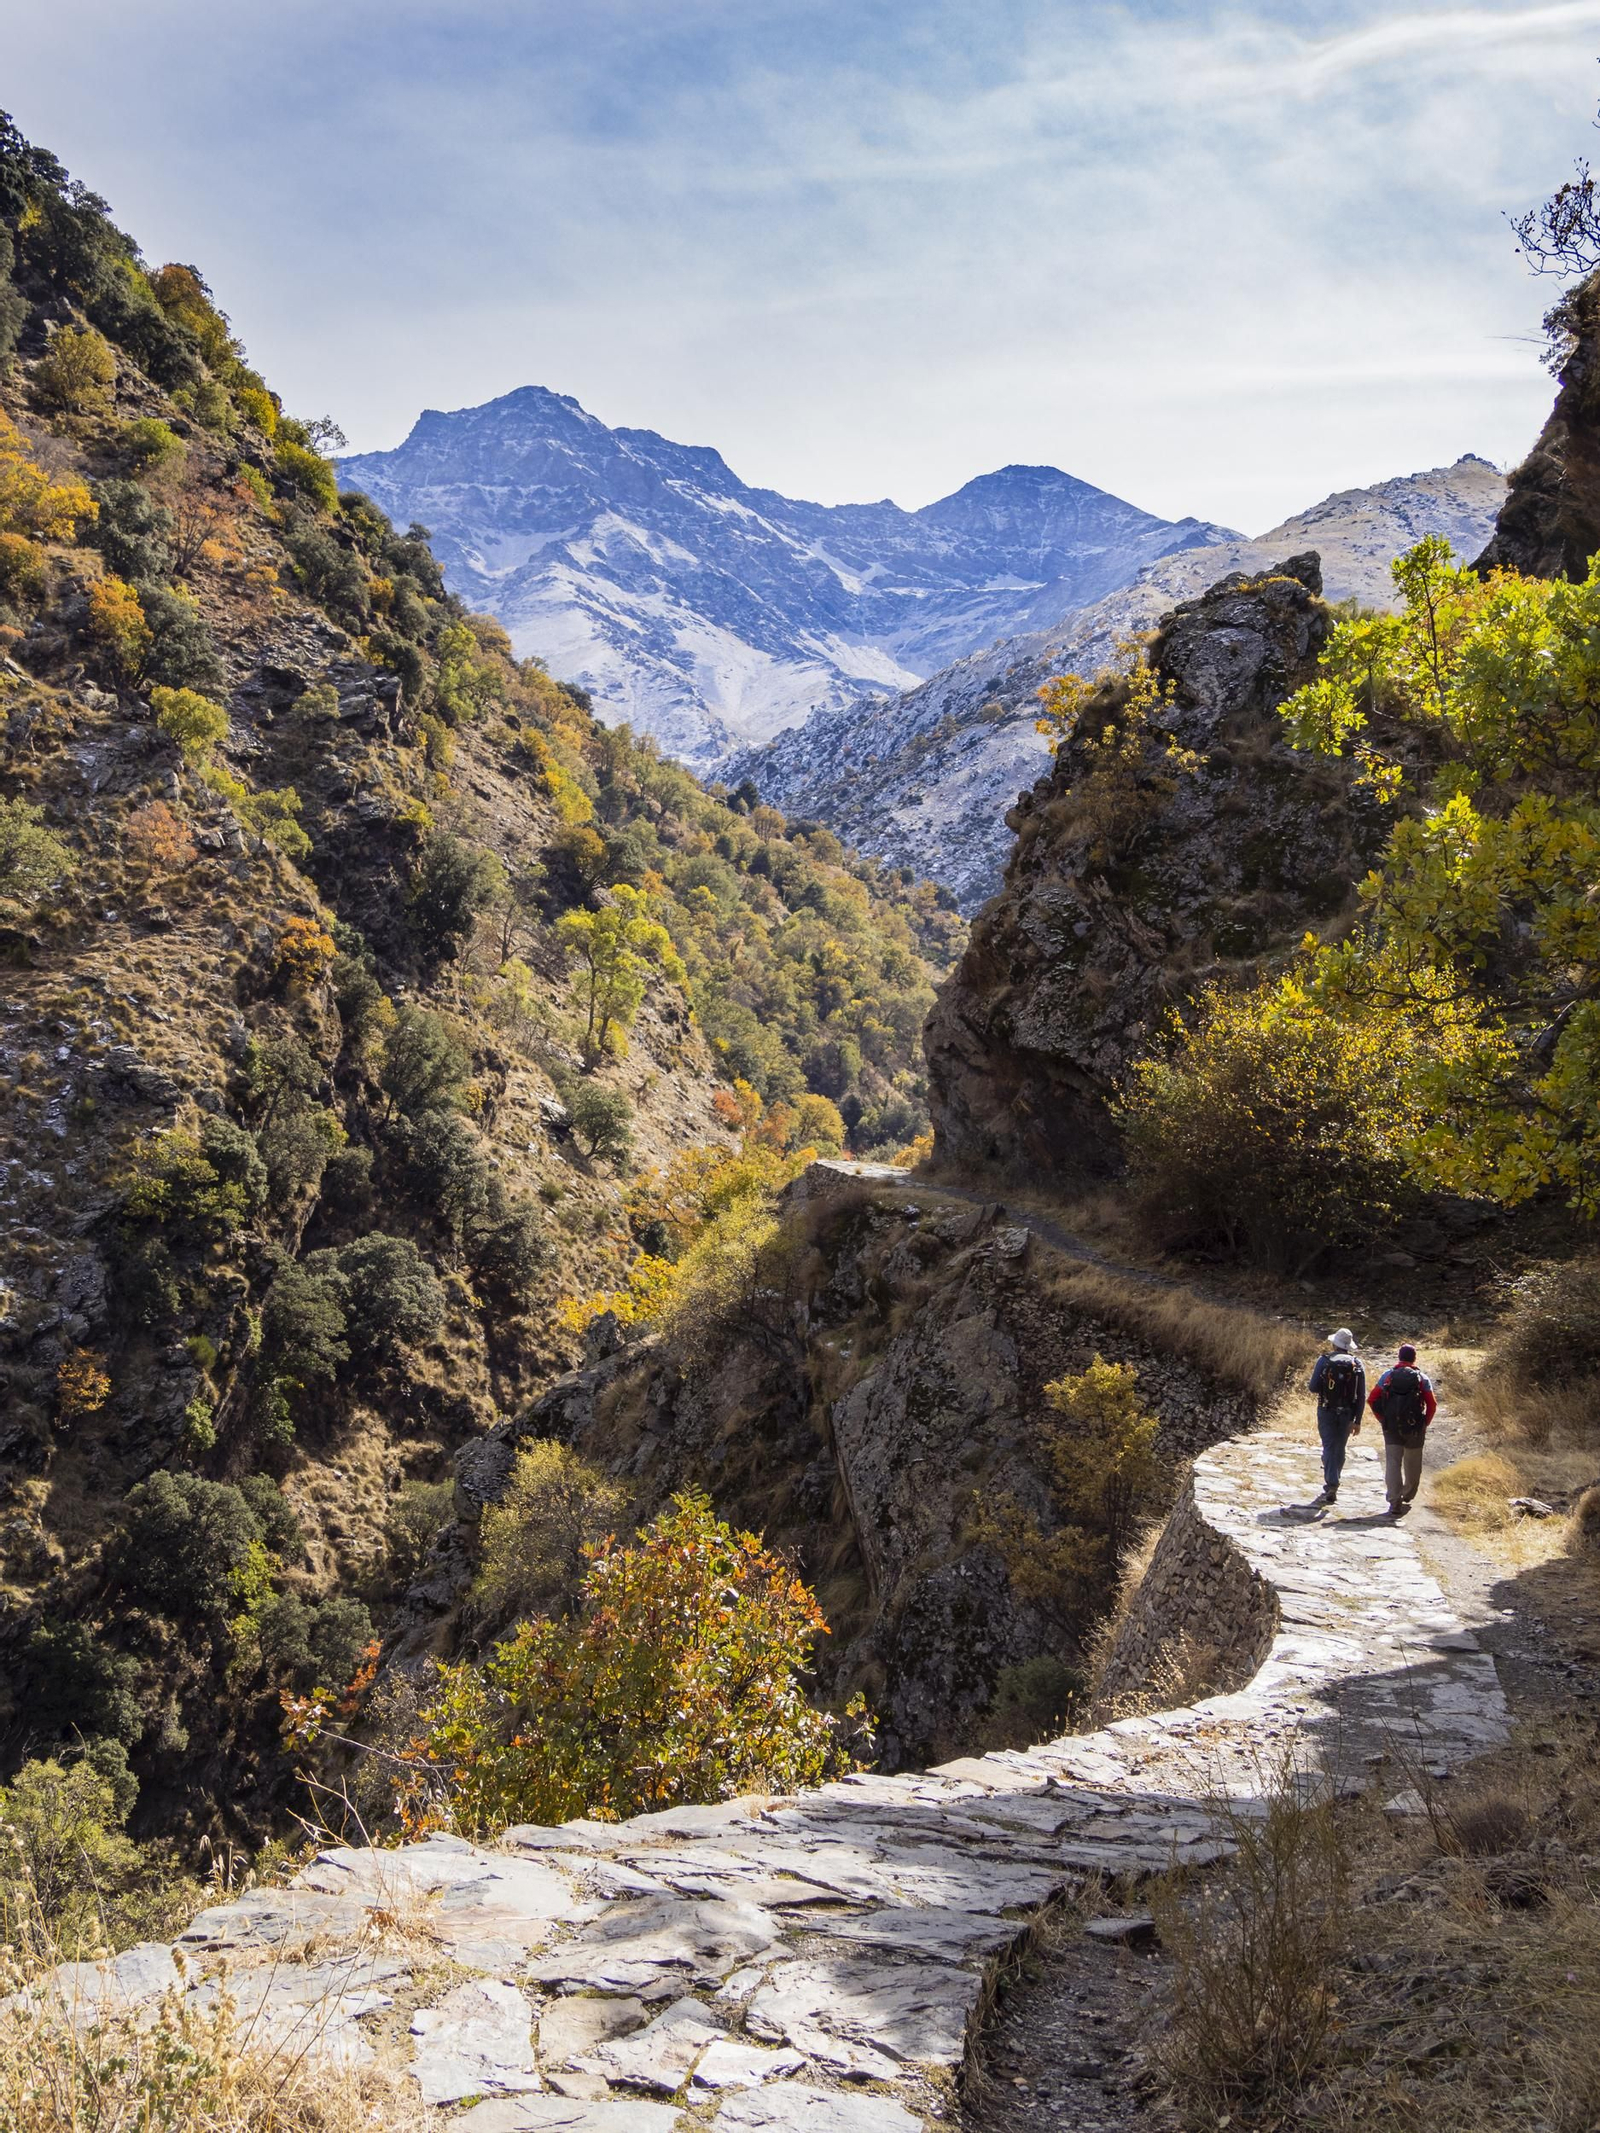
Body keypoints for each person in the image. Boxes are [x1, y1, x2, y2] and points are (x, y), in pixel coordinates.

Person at [1368, 1342, 1437, 1517]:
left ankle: (1394, 1500)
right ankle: (1407, 1494)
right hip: (1415, 1427)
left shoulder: (1388, 1376)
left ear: (1399, 1357)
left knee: (1393, 1463)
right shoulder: (1422, 1378)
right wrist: (1424, 1423)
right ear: (1414, 1358)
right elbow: (1432, 1404)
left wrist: (1383, 1419)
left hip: (1391, 1426)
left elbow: (1372, 1399)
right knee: (1413, 1463)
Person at [1307, 1328, 1365, 1507]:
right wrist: (1357, 1420)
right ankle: (1333, 1481)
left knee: (1329, 1446)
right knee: (1339, 1447)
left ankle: (1332, 1483)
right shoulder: (1357, 1364)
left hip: (1326, 1410)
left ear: (1334, 1344)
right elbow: (1361, 1395)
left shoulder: (1324, 1361)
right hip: (1347, 1412)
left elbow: (1313, 1387)